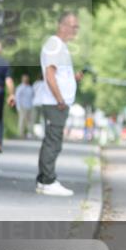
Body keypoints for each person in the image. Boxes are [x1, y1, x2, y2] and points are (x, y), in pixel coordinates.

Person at [33, 12, 83, 196]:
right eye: (73, 26)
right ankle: (48, 180)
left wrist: (73, 78)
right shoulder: (54, 46)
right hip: (56, 103)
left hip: (58, 101)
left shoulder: (60, 46)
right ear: (62, 26)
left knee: (54, 141)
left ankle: (43, 180)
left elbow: (59, 74)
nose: (75, 31)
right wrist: (59, 99)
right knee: (53, 141)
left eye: (77, 27)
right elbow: (50, 74)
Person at [15, 74, 35, 139]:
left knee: (30, 121)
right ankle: (21, 133)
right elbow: (17, 98)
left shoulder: (30, 88)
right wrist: (18, 107)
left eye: (27, 79)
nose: (26, 80)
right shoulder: (20, 88)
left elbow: (33, 97)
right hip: (22, 106)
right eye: (25, 79)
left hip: (30, 106)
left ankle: (30, 133)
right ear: (22, 79)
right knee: (22, 120)